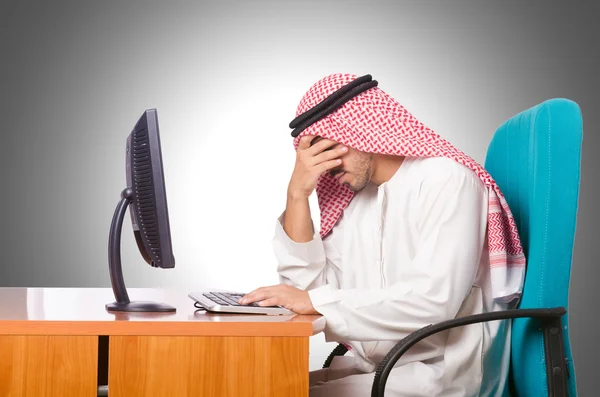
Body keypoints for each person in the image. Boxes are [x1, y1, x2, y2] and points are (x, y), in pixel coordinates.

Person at [240, 73, 526, 396]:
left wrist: (313, 302)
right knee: (269, 387)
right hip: (380, 369)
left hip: (441, 374)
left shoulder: (447, 181)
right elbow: (307, 295)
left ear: (358, 128)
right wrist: (296, 196)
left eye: (330, 150)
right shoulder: (355, 201)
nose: (327, 169)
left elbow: (433, 302)